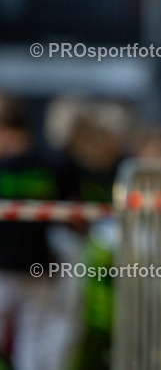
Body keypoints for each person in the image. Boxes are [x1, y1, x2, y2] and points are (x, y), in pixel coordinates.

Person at [0, 93, 79, 370]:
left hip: (19, 268)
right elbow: (74, 217)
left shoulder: (25, 165)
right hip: (38, 266)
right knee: (33, 343)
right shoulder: (53, 163)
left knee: (34, 339)